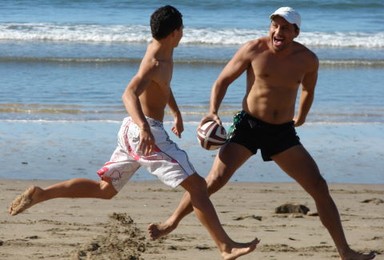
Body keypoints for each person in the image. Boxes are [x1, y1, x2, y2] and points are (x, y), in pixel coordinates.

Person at [8, 5, 260, 259]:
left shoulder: (162, 52)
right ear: (175, 32)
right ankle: (225, 247)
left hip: (130, 132)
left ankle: (42, 194)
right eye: (182, 29)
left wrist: (175, 112)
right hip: (145, 132)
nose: (183, 33)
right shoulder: (155, 61)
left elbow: (162, 86)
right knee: (197, 186)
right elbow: (129, 93)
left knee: (104, 190)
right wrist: (144, 127)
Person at [147, 7, 376, 260]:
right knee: (212, 181)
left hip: (282, 134)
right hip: (249, 126)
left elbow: (308, 90)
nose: (278, 31)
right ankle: (172, 221)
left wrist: (302, 115)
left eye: (285, 27)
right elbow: (222, 80)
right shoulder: (253, 49)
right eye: (275, 25)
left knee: (319, 186)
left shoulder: (308, 59)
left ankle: (345, 252)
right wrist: (213, 111)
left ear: (296, 32)